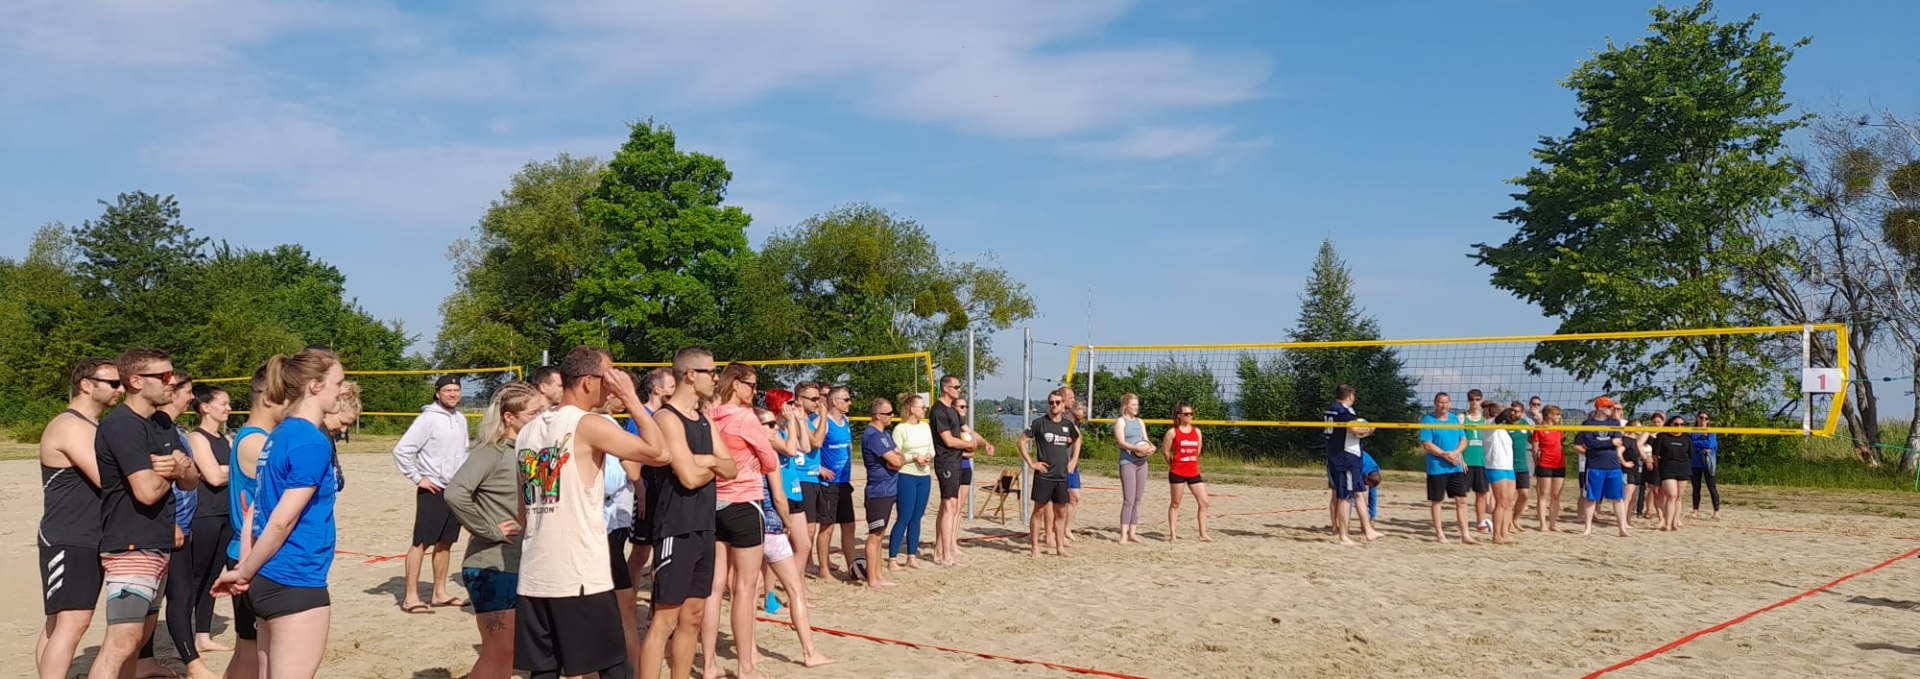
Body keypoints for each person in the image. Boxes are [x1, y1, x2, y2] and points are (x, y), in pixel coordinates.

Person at [511, 346, 671, 679]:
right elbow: (658, 452)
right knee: (613, 667)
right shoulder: (587, 424)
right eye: (609, 377)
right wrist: (631, 399)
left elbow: (523, 513)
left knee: (544, 672)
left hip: (535, 571)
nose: (613, 385)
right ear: (587, 382)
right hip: (579, 572)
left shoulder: (527, 431)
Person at [208, 348, 344, 679]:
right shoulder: (311, 441)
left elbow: (255, 506)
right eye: (338, 382)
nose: (342, 389)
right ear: (314, 385)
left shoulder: (278, 434)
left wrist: (246, 565)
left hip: (267, 578)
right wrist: (243, 572)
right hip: (295, 578)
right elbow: (281, 520)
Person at [90, 348, 196, 679]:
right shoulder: (121, 426)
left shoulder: (162, 422)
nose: (172, 382)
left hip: (157, 542)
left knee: (137, 641)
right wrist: (173, 471)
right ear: (136, 381)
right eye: (164, 376)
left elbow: (192, 481)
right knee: (121, 642)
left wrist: (177, 470)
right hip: (130, 545)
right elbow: (147, 491)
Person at [642, 346, 737, 679]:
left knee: (694, 614)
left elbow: (732, 467)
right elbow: (689, 477)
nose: (716, 378)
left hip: (703, 526)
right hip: (674, 526)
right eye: (712, 372)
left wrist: (707, 460)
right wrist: (711, 463)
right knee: (665, 620)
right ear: (690, 375)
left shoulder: (704, 419)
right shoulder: (667, 417)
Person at [446, 383, 545, 679]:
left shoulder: (528, 451)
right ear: (508, 417)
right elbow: (455, 492)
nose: (540, 417)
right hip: (491, 567)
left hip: (521, 565)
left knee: (510, 653)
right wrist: (489, 529)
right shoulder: (493, 451)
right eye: (533, 413)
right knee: (499, 654)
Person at [37, 358, 120, 679]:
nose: (121, 389)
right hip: (68, 536)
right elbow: (107, 478)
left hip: (85, 534)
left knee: (60, 623)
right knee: (73, 621)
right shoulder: (71, 425)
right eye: (113, 383)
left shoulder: (91, 426)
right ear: (87, 385)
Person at [699, 362, 783, 679]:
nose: (755, 391)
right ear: (736, 384)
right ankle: (746, 666)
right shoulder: (744, 417)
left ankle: (708, 664)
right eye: (751, 385)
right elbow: (770, 458)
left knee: (714, 588)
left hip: (714, 503)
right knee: (746, 589)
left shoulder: (710, 415)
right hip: (744, 502)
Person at [750, 407, 835, 668]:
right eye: (771, 425)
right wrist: (786, 521)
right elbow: (778, 493)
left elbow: (801, 446)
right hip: (770, 524)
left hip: (751, 524)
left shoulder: (743, 453)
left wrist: (795, 420)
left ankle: (750, 650)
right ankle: (809, 652)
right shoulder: (766, 455)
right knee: (790, 589)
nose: (776, 428)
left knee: (747, 591)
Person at [165, 382, 236, 679]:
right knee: (193, 578)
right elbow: (213, 476)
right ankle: (185, 638)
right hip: (203, 515)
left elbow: (226, 472)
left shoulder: (226, 438)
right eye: (224, 403)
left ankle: (202, 635)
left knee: (212, 577)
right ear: (205, 407)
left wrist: (226, 469)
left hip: (225, 513)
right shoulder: (196, 437)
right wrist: (231, 468)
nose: (229, 408)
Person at [221, 364, 287, 679]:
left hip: (249, 552)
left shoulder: (258, 438)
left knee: (249, 649)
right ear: (267, 397)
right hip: (250, 553)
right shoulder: (256, 443)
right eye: (288, 396)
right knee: (254, 654)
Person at [392, 374, 471, 614]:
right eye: (447, 390)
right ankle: (411, 596)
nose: (453, 394)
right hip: (433, 488)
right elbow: (402, 451)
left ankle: (439, 592)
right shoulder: (427, 419)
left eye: (456, 390)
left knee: (446, 543)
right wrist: (419, 478)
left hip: (454, 489)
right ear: (437, 393)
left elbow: (464, 452)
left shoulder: (461, 419)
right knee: (421, 543)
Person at [628, 367, 676, 594]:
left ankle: (655, 606)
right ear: (657, 389)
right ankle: (629, 599)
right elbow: (630, 457)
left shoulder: (669, 416)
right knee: (641, 552)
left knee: (662, 550)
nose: (675, 390)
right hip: (646, 488)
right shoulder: (639, 417)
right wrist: (640, 489)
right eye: (672, 386)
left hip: (664, 490)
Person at [1019, 388, 1080, 556]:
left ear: (1062, 405)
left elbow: (1077, 439)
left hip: (1061, 475)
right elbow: (1021, 442)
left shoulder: (1068, 425)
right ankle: (1035, 548)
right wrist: (1032, 463)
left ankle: (1059, 547)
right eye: (1051, 402)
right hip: (1044, 475)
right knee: (1038, 511)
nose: (1054, 405)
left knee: (1061, 511)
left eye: (1057, 402)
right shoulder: (1039, 423)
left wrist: (1074, 460)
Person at [1325, 384, 1382, 545]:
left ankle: (1368, 531)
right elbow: (1354, 429)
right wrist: (1369, 430)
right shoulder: (1344, 411)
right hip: (1345, 458)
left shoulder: (1331, 409)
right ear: (1350, 395)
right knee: (1345, 496)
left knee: (1359, 493)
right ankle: (1343, 535)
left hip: (1348, 457)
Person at [930, 375, 976, 566]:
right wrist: (968, 444)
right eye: (956, 387)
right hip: (946, 462)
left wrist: (979, 443)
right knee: (949, 507)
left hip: (956, 462)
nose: (959, 389)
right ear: (946, 388)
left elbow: (964, 433)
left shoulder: (953, 411)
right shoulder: (939, 410)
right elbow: (948, 440)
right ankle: (945, 554)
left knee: (949, 507)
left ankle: (941, 551)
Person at [813, 386, 858, 580]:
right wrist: (819, 468)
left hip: (844, 481)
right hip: (828, 482)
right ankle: (823, 568)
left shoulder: (846, 421)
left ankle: (852, 566)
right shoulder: (821, 422)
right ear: (834, 401)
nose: (849, 403)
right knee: (827, 526)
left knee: (849, 525)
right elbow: (809, 446)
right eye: (846, 399)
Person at [858, 397, 903, 588]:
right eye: (888, 413)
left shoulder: (885, 434)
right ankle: (872, 579)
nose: (892, 416)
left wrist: (896, 459)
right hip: (878, 491)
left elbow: (898, 457)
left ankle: (878, 575)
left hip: (889, 488)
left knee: (880, 534)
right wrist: (895, 460)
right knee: (875, 535)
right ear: (877, 415)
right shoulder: (873, 436)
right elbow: (897, 460)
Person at [1419, 392, 1474, 544]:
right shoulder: (1428, 419)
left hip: (1455, 466)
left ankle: (1465, 534)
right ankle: (1440, 534)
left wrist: (1455, 453)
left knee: (1462, 500)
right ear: (1435, 403)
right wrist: (1444, 455)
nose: (1444, 405)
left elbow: (1463, 439)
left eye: (1446, 402)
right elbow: (1427, 444)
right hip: (1437, 467)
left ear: (1450, 403)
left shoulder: (1454, 418)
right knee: (1437, 501)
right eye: (1441, 402)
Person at [888, 393, 935, 568]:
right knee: (904, 517)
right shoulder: (901, 429)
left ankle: (911, 556)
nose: (924, 410)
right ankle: (892, 558)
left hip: (924, 475)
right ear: (912, 409)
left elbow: (932, 449)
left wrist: (928, 456)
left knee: (917, 517)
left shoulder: (925, 427)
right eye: (922, 407)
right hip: (906, 475)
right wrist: (913, 457)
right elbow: (896, 454)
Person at [1575, 397, 1631, 537]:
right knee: (1591, 498)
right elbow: (1589, 443)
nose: (1612, 409)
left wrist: (1605, 442)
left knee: (1618, 498)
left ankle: (1622, 528)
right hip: (1594, 465)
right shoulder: (1588, 423)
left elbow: (1618, 441)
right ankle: (1588, 528)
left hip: (1613, 465)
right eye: (1609, 407)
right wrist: (1610, 441)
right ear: (1600, 408)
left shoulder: (1614, 422)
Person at [792, 382, 828, 577]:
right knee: (805, 530)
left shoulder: (809, 419)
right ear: (799, 399)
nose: (818, 402)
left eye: (818, 398)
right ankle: (798, 569)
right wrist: (823, 416)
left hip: (812, 476)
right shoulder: (799, 420)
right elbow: (817, 442)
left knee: (811, 528)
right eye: (813, 399)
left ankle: (805, 564)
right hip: (801, 476)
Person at [1162, 401, 1212, 543]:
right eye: (1186, 414)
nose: (1189, 416)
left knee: (1204, 503)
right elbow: (1165, 451)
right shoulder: (1172, 432)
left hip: (1193, 471)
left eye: (1191, 414)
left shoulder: (1197, 431)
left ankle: (1203, 534)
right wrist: (1172, 464)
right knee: (1176, 503)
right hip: (1177, 471)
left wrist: (1191, 461)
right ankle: (1173, 534)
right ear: (1179, 415)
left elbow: (1198, 451)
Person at [1112, 394, 1155, 544]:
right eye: (1133, 405)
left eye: (1137, 405)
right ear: (1126, 406)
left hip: (1142, 462)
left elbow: (1146, 439)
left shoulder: (1140, 422)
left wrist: (1151, 447)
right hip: (1128, 462)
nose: (1136, 407)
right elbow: (1121, 442)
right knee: (1128, 499)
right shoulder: (1121, 421)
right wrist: (1136, 448)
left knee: (1138, 499)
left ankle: (1133, 532)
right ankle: (1123, 534)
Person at [1483, 404, 1518, 545]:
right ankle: (1496, 535)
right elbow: (1502, 417)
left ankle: (1505, 533)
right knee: (1501, 502)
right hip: (1495, 466)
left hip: (1508, 467)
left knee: (1509, 502)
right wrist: (1509, 411)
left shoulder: (1503, 430)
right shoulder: (1488, 425)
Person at [1653, 418, 1694, 531]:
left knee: (1679, 497)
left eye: (1682, 424)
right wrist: (1660, 467)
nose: (1679, 426)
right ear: (1670, 424)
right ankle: (1667, 523)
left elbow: (1691, 455)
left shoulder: (1686, 438)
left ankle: (1675, 522)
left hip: (1683, 468)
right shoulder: (1662, 436)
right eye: (1676, 424)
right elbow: (1655, 455)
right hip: (1667, 468)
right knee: (1672, 495)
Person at [1460, 389, 1492, 534]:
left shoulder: (1486, 420)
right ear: (1468, 400)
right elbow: (1457, 441)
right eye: (1472, 399)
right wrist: (1460, 459)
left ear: (1481, 400)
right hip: (1467, 461)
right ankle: (1463, 523)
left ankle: (1481, 522)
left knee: (1482, 494)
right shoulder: (1461, 418)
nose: (1475, 402)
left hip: (1481, 462)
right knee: (1461, 496)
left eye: (1477, 399)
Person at [1531, 406, 1567, 532]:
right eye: (1557, 414)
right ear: (1550, 415)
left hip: (1559, 464)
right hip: (1545, 464)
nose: (1559, 417)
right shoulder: (1540, 429)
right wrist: (1537, 463)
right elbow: (1534, 449)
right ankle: (1543, 524)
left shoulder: (1559, 429)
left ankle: (1552, 524)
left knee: (1556, 495)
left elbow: (1559, 443)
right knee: (1543, 494)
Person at [1691, 412, 1722, 519]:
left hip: (1709, 462)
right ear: (1697, 418)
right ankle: (1695, 510)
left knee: (1712, 486)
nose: (1703, 420)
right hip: (1695, 462)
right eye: (1701, 418)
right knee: (1696, 487)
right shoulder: (1692, 431)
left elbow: (1710, 444)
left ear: (1708, 420)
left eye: (1706, 418)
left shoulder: (1711, 431)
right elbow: (1690, 444)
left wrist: (1697, 442)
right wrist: (1701, 441)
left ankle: (1716, 511)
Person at [1508, 401, 1533, 533]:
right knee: (1509, 497)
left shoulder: (1525, 425)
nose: (1514, 413)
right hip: (1508, 464)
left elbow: (1532, 439)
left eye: (1517, 411)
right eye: (1512, 410)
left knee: (1524, 495)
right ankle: (1508, 523)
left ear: (1522, 413)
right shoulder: (1505, 424)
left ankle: (1515, 519)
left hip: (1522, 465)